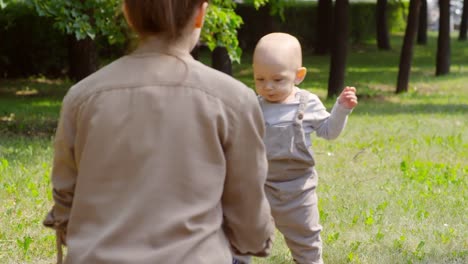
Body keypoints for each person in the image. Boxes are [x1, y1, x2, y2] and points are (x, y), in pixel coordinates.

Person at [43, 1, 275, 263]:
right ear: (200, 14)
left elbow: (65, 198)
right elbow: (249, 216)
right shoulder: (234, 100)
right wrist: (254, 242)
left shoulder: (81, 98)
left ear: (129, 14)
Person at [251, 32, 358, 264]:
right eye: (259, 79)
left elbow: (329, 131)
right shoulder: (253, 106)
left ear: (298, 76)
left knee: (307, 242)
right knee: (240, 236)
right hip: (260, 189)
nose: (267, 86)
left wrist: (341, 109)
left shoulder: (307, 103)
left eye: (277, 80)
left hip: (298, 192)